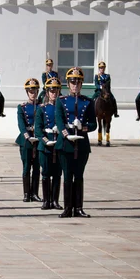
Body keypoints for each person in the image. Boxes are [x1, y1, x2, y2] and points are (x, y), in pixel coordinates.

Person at [55, 67, 97, 218]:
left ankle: (78, 208)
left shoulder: (88, 102)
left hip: (82, 144)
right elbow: (59, 121)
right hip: (66, 144)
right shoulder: (61, 101)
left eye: (78, 82)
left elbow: (94, 124)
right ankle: (67, 208)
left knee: (79, 176)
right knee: (67, 176)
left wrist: (83, 127)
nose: (75, 85)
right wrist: (66, 134)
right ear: (68, 83)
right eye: (72, 82)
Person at [34, 76, 63, 210]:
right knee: (45, 173)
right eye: (51, 91)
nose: (54, 94)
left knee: (57, 173)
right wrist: (45, 141)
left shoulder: (62, 108)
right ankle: (46, 200)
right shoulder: (42, 108)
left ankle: (55, 201)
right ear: (47, 93)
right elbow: (38, 129)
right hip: (45, 145)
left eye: (56, 91)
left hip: (58, 144)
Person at [16, 78, 42, 202]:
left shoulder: (42, 106)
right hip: (26, 140)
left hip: (38, 139)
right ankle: (26, 193)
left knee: (37, 167)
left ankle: (35, 193)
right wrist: (27, 136)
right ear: (27, 92)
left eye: (35, 91)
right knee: (27, 167)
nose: (33, 93)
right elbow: (21, 124)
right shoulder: (22, 107)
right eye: (31, 91)